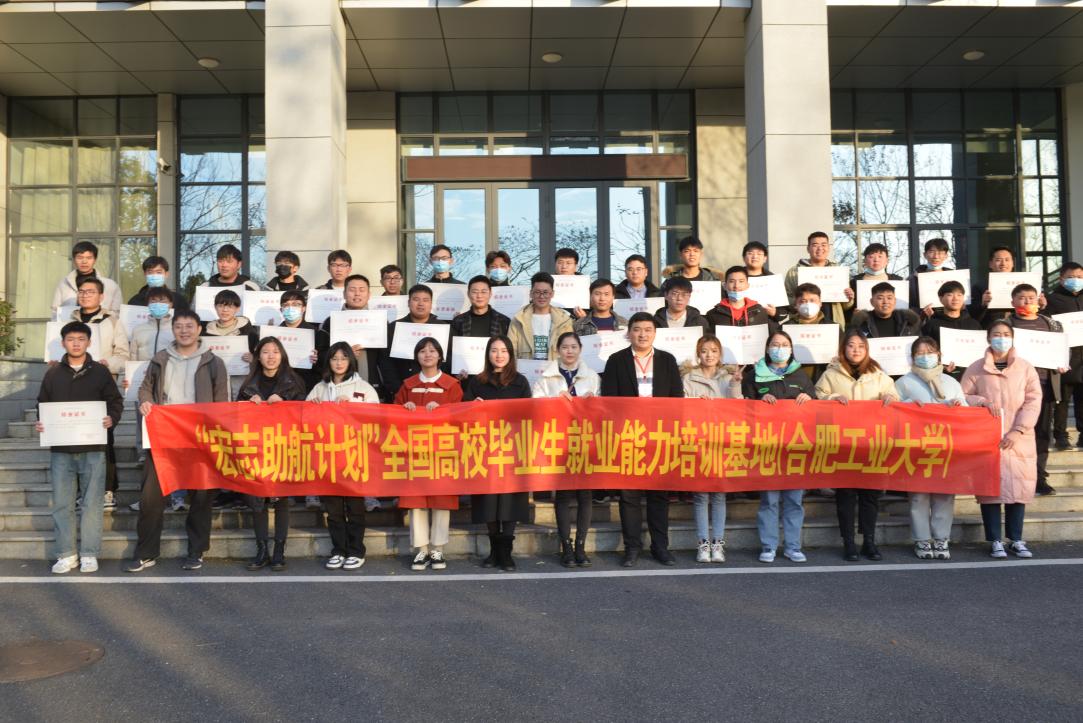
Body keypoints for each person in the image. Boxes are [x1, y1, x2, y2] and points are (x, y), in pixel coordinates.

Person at [127, 310, 230, 573]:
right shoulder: (160, 359)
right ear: (172, 330)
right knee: (151, 496)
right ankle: (146, 552)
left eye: (189, 326)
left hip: (199, 438)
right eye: (179, 326)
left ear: (199, 329)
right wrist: (146, 401)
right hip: (164, 436)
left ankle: (196, 551)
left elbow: (222, 400)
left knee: (201, 496)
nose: (184, 331)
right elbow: (145, 388)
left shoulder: (213, 362)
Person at [37, 321, 124, 574]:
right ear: (63, 342)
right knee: (62, 503)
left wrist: (111, 419)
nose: (76, 343)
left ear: (89, 342)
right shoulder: (53, 373)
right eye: (71, 339)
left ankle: (89, 553)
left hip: (93, 447)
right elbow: (42, 404)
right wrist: (42, 422)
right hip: (61, 449)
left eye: (81, 339)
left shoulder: (100, 372)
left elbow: (115, 402)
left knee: (92, 504)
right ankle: (66, 554)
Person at [601, 312, 684, 567]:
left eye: (648, 330)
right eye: (637, 329)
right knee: (629, 496)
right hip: (629, 437)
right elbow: (609, 400)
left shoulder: (667, 360)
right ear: (629, 333)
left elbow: (677, 398)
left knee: (659, 495)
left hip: (659, 436)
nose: (642, 334)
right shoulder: (616, 360)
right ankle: (632, 548)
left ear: (655, 333)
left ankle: (661, 547)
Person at [960, 320, 1042, 559]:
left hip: (1019, 437)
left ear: (1013, 337)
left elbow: (1033, 400)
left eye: (1006, 334)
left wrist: (1019, 430)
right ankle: (995, 539)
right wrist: (982, 402)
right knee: (990, 491)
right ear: (988, 338)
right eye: (996, 334)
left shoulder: (1025, 368)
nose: (1001, 338)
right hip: (988, 437)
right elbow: (962, 396)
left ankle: (1016, 539)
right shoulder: (976, 368)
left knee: (1018, 489)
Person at [815, 331, 898, 561]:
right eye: (851, 345)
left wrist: (891, 398)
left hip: (872, 443)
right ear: (844, 349)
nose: (856, 350)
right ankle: (849, 542)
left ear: (867, 349)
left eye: (861, 346)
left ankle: (869, 541)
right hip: (843, 443)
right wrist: (831, 398)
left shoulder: (878, 374)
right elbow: (817, 396)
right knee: (846, 494)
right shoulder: (831, 374)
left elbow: (893, 395)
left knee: (870, 494)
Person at [742, 330, 815, 563]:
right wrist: (758, 401)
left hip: (795, 446)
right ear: (767, 348)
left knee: (794, 500)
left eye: (785, 345)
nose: (780, 348)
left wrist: (809, 399)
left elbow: (815, 408)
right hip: (768, 447)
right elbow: (742, 408)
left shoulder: (801, 376)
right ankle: (769, 545)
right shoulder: (753, 376)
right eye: (775, 344)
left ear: (791, 349)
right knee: (769, 500)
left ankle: (793, 546)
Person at [236, 337, 307, 572]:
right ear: (258, 357)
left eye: (275, 351)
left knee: (281, 500)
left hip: (284, 448)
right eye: (265, 352)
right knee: (257, 501)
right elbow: (234, 416)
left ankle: (279, 550)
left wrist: (285, 402)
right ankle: (261, 550)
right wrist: (248, 404)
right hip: (256, 450)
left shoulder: (294, 382)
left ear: (282, 355)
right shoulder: (248, 385)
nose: (271, 356)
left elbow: (305, 414)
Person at [308, 341, 381, 570]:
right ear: (328, 361)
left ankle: (356, 551)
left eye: (343, 358)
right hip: (328, 458)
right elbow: (303, 419)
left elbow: (376, 420)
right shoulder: (320, 387)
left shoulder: (364, 388)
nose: (339, 363)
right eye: (334, 358)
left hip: (354, 458)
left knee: (355, 508)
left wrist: (353, 408)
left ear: (351, 360)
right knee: (334, 510)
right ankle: (338, 550)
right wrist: (313, 406)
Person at [532, 331, 601, 567]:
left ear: (580, 349)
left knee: (585, 495)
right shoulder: (546, 377)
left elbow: (603, 410)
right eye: (564, 347)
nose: (569, 351)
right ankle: (566, 546)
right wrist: (554, 401)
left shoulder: (592, 377)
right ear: (557, 350)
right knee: (562, 495)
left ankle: (581, 545)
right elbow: (535, 406)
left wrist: (593, 401)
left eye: (573, 347)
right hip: (558, 442)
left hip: (584, 442)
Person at [464, 336, 533, 572]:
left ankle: (506, 552)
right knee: (488, 500)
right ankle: (494, 550)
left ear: (510, 354)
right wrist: (473, 407)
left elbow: (528, 414)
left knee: (511, 500)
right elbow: (463, 413)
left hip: (512, 449)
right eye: (494, 350)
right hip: (485, 450)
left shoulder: (520, 382)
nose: (499, 355)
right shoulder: (477, 381)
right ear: (488, 354)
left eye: (504, 351)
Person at [895, 337, 967, 560]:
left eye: (930, 351)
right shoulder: (904, 382)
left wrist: (957, 406)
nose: (926, 356)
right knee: (918, 495)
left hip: (946, 446)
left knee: (944, 495)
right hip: (917, 447)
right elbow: (893, 409)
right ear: (912, 357)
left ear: (939, 355)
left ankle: (941, 538)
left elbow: (966, 410)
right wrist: (908, 405)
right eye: (920, 352)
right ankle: (922, 540)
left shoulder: (951, 382)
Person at [395, 337, 463, 572]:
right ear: (416, 356)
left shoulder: (451, 385)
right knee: (416, 501)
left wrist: (443, 411)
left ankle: (438, 548)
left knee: (441, 500)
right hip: (414, 451)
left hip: (442, 451)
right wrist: (404, 409)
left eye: (432, 351)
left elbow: (460, 415)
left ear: (440, 356)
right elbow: (393, 414)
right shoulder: (408, 385)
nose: (427, 354)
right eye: (423, 351)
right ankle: (421, 549)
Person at [64, 277, 129, 510]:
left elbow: (123, 355)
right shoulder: (68, 320)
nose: (85, 295)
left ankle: (107, 490)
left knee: (104, 440)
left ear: (101, 296)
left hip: (101, 385)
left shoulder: (112, 321)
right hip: (71, 386)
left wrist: (107, 363)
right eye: (82, 291)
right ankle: (80, 491)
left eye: (90, 292)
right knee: (75, 440)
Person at [681, 334, 742, 563]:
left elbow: (738, 408)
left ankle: (718, 544)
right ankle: (702, 544)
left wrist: (735, 384)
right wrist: (697, 406)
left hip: (722, 441)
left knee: (719, 495)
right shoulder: (688, 377)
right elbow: (682, 408)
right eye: (705, 350)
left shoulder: (727, 377)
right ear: (698, 353)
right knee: (700, 495)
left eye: (714, 351)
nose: (709, 355)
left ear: (720, 354)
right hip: (698, 441)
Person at [1006, 283, 1065, 496]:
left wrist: (1061, 362)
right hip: (1014, 387)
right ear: (1013, 302)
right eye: (1022, 298)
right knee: (1013, 431)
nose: (1027, 301)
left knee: (1042, 433)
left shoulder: (1052, 324)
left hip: (1044, 385)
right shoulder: (1005, 325)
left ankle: (1039, 476)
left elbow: (1062, 350)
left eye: (1031, 297)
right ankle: (1013, 474)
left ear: (1038, 300)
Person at [318, 274, 398, 405]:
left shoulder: (380, 321)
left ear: (369, 294)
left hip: (373, 387)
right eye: (352, 290)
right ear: (344, 294)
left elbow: (388, 359)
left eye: (362, 290)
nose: (357, 294)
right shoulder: (330, 322)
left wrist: (392, 389)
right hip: (337, 391)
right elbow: (320, 355)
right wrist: (344, 355)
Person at [1044, 262, 1083, 450]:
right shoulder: (1052, 300)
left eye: (1080, 277)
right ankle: (1060, 436)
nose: (1076, 280)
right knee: (1062, 399)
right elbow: (1047, 324)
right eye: (1071, 277)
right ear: (1061, 279)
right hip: (1064, 355)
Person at [784, 231, 855, 326]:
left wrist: (849, 298)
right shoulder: (794, 272)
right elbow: (786, 300)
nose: (820, 248)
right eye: (815, 245)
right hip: (802, 323)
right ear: (808, 248)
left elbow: (845, 306)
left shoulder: (838, 271)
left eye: (823, 245)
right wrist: (801, 301)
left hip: (833, 321)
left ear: (828, 248)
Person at [921, 280, 983, 382]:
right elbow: (924, 352)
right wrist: (940, 366)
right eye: (950, 295)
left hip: (972, 376)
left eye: (959, 295)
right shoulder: (932, 325)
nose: (955, 298)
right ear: (941, 299)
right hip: (941, 377)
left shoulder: (974, 324)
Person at [386, 284, 446, 386]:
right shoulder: (394, 327)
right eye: (416, 299)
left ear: (431, 304)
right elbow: (386, 361)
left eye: (425, 300)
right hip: (402, 387)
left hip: (437, 387)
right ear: (408, 303)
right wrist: (396, 388)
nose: (421, 304)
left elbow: (447, 360)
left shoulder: (443, 328)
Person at [508, 272, 574, 360]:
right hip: (525, 369)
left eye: (545, 292)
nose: (541, 296)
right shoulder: (518, 319)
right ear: (531, 293)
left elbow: (570, 353)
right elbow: (511, 352)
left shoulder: (564, 321)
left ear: (552, 294)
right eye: (537, 292)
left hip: (555, 369)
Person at [784, 282, 839, 384]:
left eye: (812, 300)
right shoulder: (785, 329)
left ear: (820, 303)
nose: (808, 304)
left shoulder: (833, 328)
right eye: (803, 301)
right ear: (796, 304)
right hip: (792, 381)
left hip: (825, 380)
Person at [51, 240, 122, 316]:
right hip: (71, 323)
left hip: (100, 323)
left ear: (95, 260)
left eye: (89, 258)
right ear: (74, 259)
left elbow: (117, 313)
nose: (84, 261)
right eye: (80, 257)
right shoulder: (64, 284)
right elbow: (55, 311)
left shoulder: (110, 285)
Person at [278, 289, 327, 395]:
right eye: (286, 305)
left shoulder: (316, 334)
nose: (290, 308)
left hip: (307, 386)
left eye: (296, 304)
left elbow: (325, 364)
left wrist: (317, 360)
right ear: (281, 309)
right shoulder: (273, 334)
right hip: (279, 387)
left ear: (304, 308)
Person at [706, 265, 774, 331]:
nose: (736, 286)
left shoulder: (760, 312)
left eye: (741, 281)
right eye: (732, 281)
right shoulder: (713, 314)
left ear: (747, 285)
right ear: (725, 285)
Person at [849, 282, 921, 339]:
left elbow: (918, 344)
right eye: (880, 298)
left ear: (895, 301)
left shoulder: (908, 322)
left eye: (889, 298)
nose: (885, 302)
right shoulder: (861, 323)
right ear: (871, 302)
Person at [450, 275, 511, 339]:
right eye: (475, 292)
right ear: (468, 294)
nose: (479, 296)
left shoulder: (504, 321)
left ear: (490, 294)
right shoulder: (458, 321)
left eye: (483, 292)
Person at [907, 237, 952, 314]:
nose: (936, 256)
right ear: (925, 254)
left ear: (946, 256)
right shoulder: (913, 279)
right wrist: (921, 313)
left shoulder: (954, 277)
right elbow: (909, 304)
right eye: (931, 252)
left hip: (949, 317)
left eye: (940, 252)